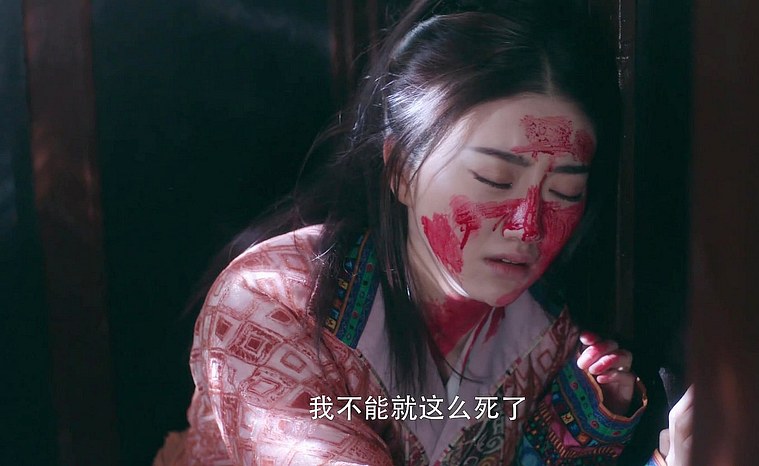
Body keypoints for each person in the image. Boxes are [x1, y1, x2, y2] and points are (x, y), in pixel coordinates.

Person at [155, 0, 690, 464]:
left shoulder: (550, 340)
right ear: (402, 169)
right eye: (494, 179)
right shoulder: (271, 304)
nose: (528, 225)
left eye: (564, 192)